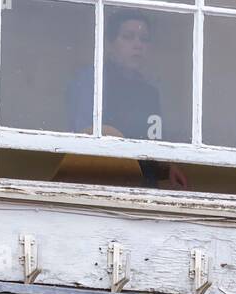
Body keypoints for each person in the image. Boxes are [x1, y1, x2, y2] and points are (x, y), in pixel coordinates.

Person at [67, 10, 188, 189]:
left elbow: (152, 142)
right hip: (102, 182)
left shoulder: (150, 93)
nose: (138, 45)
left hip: (144, 185)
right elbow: (84, 135)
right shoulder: (94, 81)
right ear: (110, 44)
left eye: (144, 39)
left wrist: (167, 166)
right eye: (128, 37)